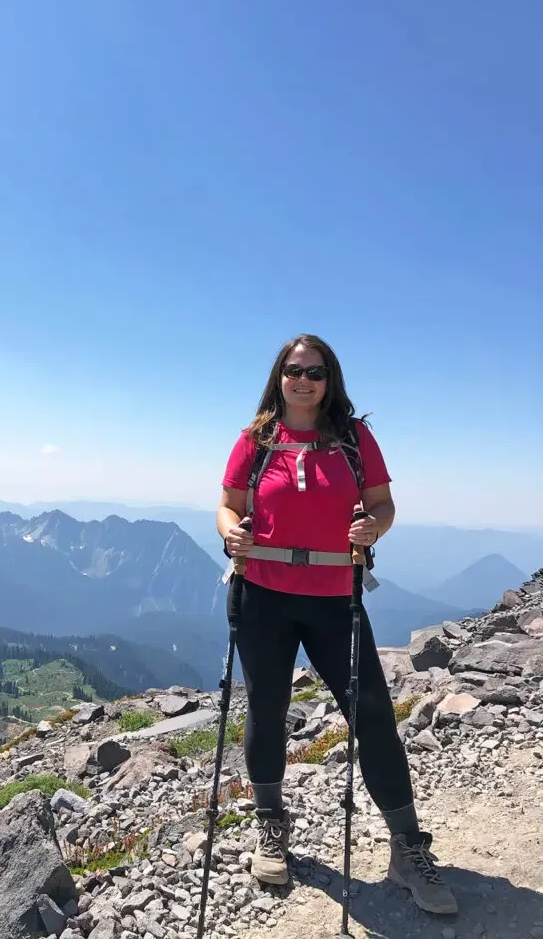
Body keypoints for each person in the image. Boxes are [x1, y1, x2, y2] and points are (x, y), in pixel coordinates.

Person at [216, 333, 457, 916]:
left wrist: (374, 529)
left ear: (331, 380)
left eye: (315, 372)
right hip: (263, 597)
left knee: (371, 715)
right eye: (294, 370)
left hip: (334, 598)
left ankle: (407, 848)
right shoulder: (256, 441)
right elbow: (228, 505)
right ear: (279, 376)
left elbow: (383, 505)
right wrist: (231, 532)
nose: (304, 380)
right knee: (268, 707)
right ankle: (271, 823)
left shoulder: (353, 438)